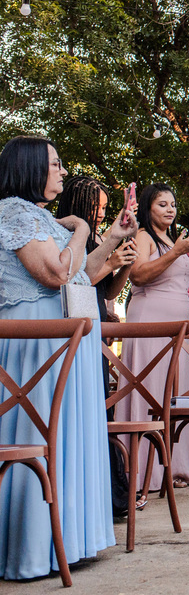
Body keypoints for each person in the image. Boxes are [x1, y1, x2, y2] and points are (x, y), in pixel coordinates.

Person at [0, 137, 134, 579]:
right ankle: (31, 549)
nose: (61, 171)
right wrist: (79, 228)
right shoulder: (14, 211)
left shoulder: (41, 217)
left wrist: (113, 235)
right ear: (29, 168)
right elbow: (57, 273)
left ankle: (67, 541)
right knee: (37, 431)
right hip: (35, 342)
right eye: (55, 164)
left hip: (63, 340)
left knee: (65, 435)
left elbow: (84, 274)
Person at [117, 183, 189, 490]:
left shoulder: (175, 239)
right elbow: (137, 275)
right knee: (148, 389)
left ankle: (172, 468)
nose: (170, 209)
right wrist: (176, 251)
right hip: (150, 319)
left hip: (177, 324)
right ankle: (142, 470)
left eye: (173, 204)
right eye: (162, 204)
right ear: (148, 207)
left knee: (173, 392)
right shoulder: (144, 237)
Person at [55, 176, 137, 321]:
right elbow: (76, 283)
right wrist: (110, 264)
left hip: (98, 318)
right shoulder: (64, 237)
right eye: (94, 207)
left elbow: (109, 293)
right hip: (75, 322)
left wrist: (126, 266)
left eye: (104, 208)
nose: (102, 214)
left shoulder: (99, 239)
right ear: (77, 204)